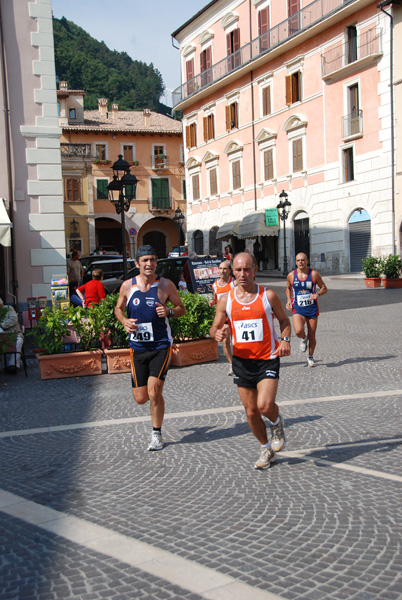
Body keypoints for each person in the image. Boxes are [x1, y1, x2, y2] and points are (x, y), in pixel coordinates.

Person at [210, 252, 291, 470]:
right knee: (251, 411)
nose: (242, 274)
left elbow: (284, 321)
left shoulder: (268, 295)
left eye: (247, 269)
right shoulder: (227, 300)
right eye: (238, 270)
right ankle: (266, 448)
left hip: (267, 358)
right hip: (242, 362)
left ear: (255, 269)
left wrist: (284, 340)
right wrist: (217, 334)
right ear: (232, 272)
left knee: (264, 405)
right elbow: (214, 327)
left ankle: (276, 422)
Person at [114, 245, 186, 451]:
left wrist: (170, 312)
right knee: (141, 398)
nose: (149, 264)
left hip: (161, 345)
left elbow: (182, 309)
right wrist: (124, 321)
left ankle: (157, 434)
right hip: (137, 347)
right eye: (145, 260)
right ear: (137, 264)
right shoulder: (128, 286)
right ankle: (155, 404)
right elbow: (118, 309)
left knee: (154, 392)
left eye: (152, 259)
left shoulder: (165, 285)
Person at [286, 253, 328, 368]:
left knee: (312, 335)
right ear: (295, 262)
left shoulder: (314, 274)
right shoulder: (291, 275)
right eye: (298, 260)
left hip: (312, 308)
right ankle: (303, 338)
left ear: (307, 261)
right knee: (299, 330)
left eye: (303, 260)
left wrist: (317, 294)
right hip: (298, 307)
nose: (300, 262)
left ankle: (310, 356)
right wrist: (289, 300)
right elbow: (288, 288)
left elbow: (324, 288)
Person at [209, 260, 235, 375]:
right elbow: (215, 299)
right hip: (223, 318)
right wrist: (212, 302)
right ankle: (232, 365)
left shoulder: (233, 283)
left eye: (225, 269)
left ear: (230, 271)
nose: (222, 271)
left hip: (235, 317)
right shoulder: (215, 285)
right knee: (225, 342)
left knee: (237, 342)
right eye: (220, 268)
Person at [0, 298, 24, 373]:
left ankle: (13, 365)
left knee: (18, 343)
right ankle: (5, 365)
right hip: (2, 334)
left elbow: (13, 319)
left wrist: (2, 325)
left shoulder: (8, 309)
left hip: (15, 332)